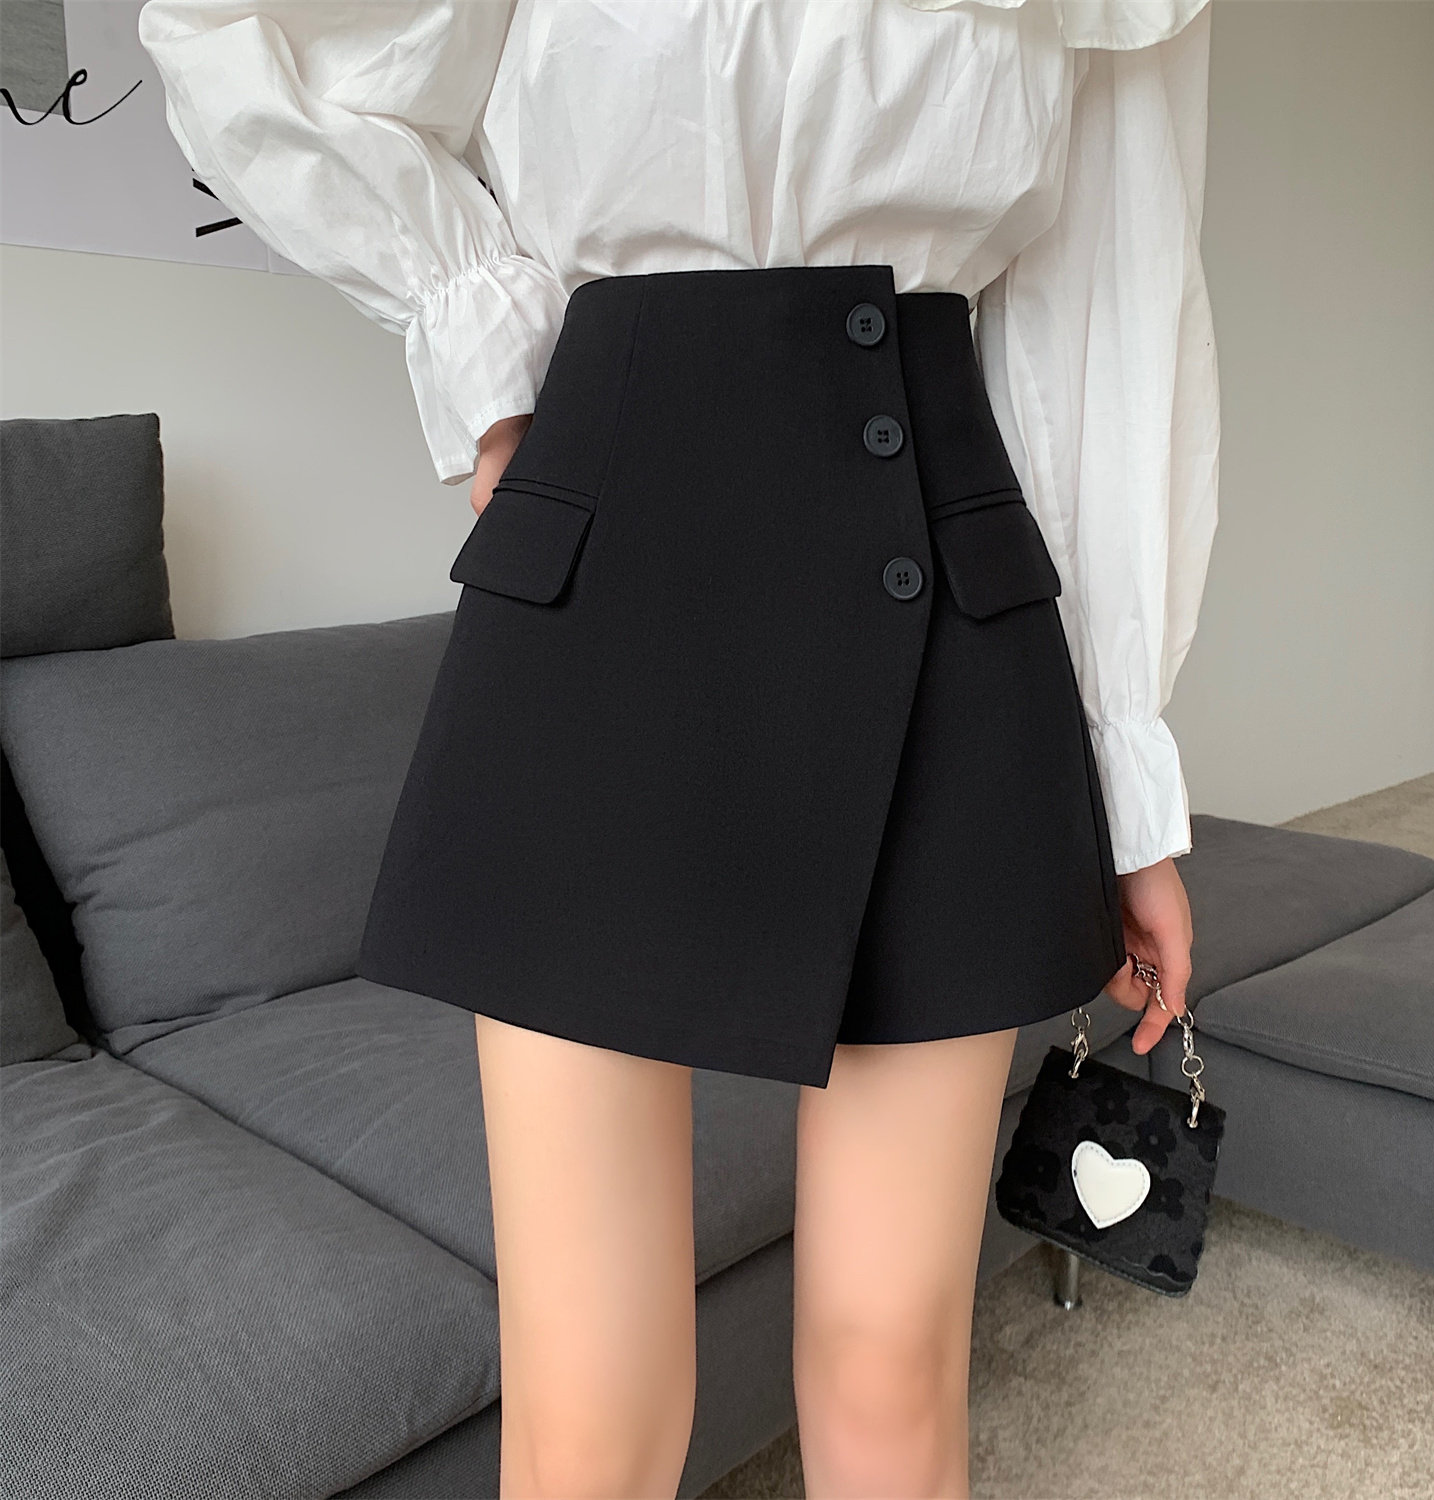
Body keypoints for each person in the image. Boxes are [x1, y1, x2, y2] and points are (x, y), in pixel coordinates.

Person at [138, 2, 1220, 1495]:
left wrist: (1128, 784)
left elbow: (1110, 308)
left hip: (943, 580)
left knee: (892, 1359)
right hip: (605, 567)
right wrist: (487, 350)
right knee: (587, 1404)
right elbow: (228, 28)